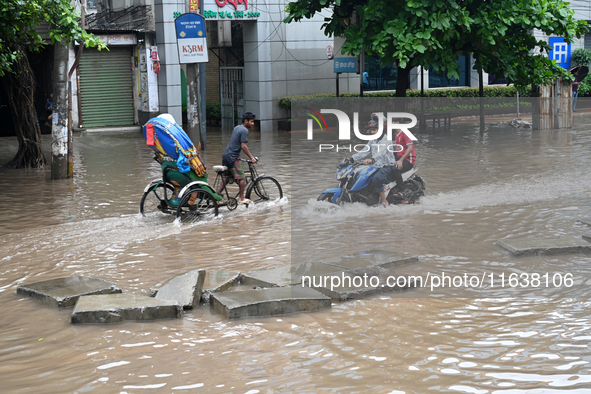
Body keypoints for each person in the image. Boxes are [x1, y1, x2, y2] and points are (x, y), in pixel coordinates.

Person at [348, 118, 400, 207]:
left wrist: (371, 159)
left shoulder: (387, 140)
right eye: (371, 130)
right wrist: (351, 158)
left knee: (376, 179)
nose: (372, 132)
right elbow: (365, 151)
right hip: (376, 166)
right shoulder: (373, 140)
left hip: (387, 166)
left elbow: (382, 152)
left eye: (374, 130)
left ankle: (384, 201)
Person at [219, 112, 258, 204]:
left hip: (226, 156)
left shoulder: (237, 127)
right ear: (246, 121)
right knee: (242, 178)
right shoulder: (245, 130)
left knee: (227, 177)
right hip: (233, 157)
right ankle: (241, 198)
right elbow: (243, 146)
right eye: (251, 122)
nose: (253, 124)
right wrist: (252, 158)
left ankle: (217, 194)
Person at [390, 118, 416, 196]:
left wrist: (400, 161)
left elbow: (410, 148)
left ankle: (402, 190)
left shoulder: (406, 132)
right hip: (399, 157)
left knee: (394, 169)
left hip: (408, 160)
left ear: (397, 122)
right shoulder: (396, 134)